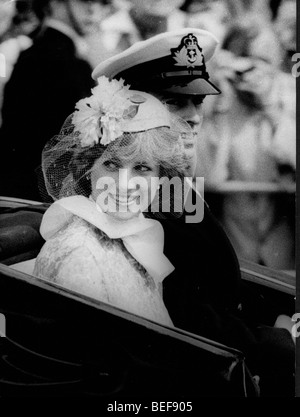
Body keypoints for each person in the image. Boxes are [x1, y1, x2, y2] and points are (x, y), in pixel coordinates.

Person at [92, 28, 295, 396]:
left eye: (198, 102)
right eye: (174, 102)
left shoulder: (170, 183)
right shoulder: (133, 192)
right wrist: (276, 341)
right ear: (137, 108)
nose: (194, 116)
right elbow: (183, 310)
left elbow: (209, 275)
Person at [33, 75, 192, 327]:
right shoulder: (81, 255)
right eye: (111, 164)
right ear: (87, 168)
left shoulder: (132, 235)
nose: (125, 184)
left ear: (161, 177)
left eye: (142, 168)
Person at [0, 0, 108, 201]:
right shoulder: (57, 59)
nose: (94, 10)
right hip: (37, 200)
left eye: (102, 3)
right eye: (86, 1)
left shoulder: (52, 54)